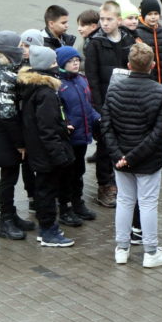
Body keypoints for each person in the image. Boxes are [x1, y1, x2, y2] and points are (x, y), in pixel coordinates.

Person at [101, 43, 162, 268]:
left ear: (129, 65)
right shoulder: (160, 93)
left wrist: (119, 155)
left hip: (120, 157)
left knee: (124, 200)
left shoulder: (114, 90)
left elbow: (106, 126)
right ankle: (150, 252)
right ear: (152, 66)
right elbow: (159, 133)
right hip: (147, 160)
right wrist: (132, 157)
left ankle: (122, 248)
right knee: (148, 203)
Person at [0, 31, 36, 240]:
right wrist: (20, 143)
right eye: (20, 46)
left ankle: (11, 215)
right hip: (3, 135)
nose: (23, 49)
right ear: (11, 51)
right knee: (8, 177)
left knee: (11, 176)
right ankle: (5, 221)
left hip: (4, 133)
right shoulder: (1, 77)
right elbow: (8, 115)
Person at [19, 46, 76, 247]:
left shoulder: (33, 88)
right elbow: (47, 128)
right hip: (46, 153)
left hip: (38, 150)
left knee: (44, 190)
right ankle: (48, 231)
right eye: (53, 63)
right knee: (47, 191)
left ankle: (47, 229)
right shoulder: (46, 93)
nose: (56, 67)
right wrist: (59, 155)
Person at [83, 0, 137, 208]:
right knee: (105, 145)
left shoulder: (128, 39)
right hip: (105, 102)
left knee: (124, 142)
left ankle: (122, 181)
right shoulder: (95, 43)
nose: (104, 24)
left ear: (119, 20)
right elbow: (92, 77)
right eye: (102, 20)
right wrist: (98, 106)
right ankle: (105, 185)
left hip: (125, 101)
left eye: (109, 19)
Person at [55, 45, 100, 226]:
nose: (75, 64)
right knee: (67, 173)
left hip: (82, 136)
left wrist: (97, 118)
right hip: (68, 138)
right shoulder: (58, 84)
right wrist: (65, 124)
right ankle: (65, 208)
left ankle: (77, 203)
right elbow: (58, 111)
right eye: (70, 62)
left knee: (79, 171)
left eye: (77, 61)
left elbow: (87, 107)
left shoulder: (81, 80)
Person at [133, 0, 162, 92]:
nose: (153, 17)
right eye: (149, 14)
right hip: (146, 86)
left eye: (156, 14)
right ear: (143, 15)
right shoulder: (137, 35)